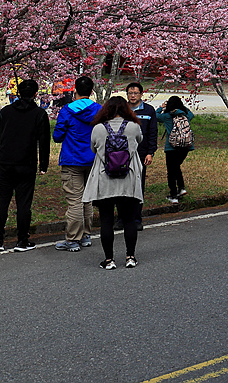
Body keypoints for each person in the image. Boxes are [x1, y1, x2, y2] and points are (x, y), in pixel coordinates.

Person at [0, 79, 50, 253]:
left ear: (18, 93)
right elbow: (44, 142)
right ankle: (22, 240)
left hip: (6, 162)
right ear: (36, 94)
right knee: (24, 204)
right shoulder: (39, 114)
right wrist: (43, 165)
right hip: (27, 163)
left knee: (2, 202)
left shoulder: (6, 112)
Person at [83, 96, 144, 270]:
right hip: (128, 179)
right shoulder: (134, 127)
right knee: (129, 220)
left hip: (105, 179)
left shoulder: (98, 129)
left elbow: (94, 148)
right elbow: (139, 142)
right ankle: (130, 257)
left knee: (106, 221)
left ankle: (109, 260)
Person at [51, 75, 101, 252]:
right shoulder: (99, 109)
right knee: (87, 200)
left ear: (75, 91)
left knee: (75, 201)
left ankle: (72, 239)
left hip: (72, 160)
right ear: (92, 92)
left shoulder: (66, 110)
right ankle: (86, 235)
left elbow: (57, 136)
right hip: (93, 160)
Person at [124, 81, 158, 230]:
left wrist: (151, 152)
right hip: (122, 154)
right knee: (122, 187)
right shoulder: (122, 109)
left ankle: (137, 219)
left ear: (141, 94)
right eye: (130, 93)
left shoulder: (149, 111)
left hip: (141, 153)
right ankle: (122, 218)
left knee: (138, 186)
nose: (132, 96)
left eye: (135, 93)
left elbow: (153, 133)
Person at [158, 95, 194, 203]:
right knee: (176, 167)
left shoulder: (167, 116)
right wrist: (182, 107)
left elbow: (154, 116)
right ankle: (181, 188)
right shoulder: (186, 115)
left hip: (171, 147)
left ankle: (173, 195)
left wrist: (161, 107)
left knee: (171, 171)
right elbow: (191, 114)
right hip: (186, 146)